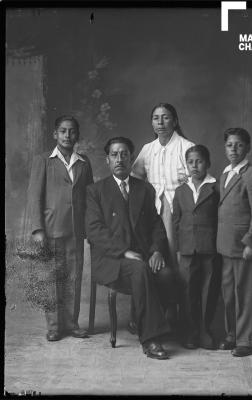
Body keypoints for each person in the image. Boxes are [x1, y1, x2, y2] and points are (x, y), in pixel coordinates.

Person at [85, 136, 176, 360]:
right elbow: (94, 231)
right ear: (107, 160)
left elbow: (156, 224)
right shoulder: (96, 191)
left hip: (142, 256)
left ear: (131, 158)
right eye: (114, 155)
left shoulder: (144, 189)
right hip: (110, 260)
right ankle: (151, 338)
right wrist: (124, 252)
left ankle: (140, 318)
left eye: (124, 154)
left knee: (166, 275)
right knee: (140, 269)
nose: (119, 159)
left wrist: (156, 251)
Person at [27, 115, 93, 341]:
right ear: (55, 134)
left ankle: (72, 324)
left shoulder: (84, 163)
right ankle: (54, 326)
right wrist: (38, 229)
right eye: (63, 131)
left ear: (77, 135)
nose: (67, 135)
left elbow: (90, 198)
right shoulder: (44, 160)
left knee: (74, 277)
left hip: (76, 230)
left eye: (72, 131)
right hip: (51, 228)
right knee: (52, 278)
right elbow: (34, 196)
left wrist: (90, 228)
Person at [131, 103, 194, 327]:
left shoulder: (187, 147)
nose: (160, 122)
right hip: (153, 212)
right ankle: (157, 313)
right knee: (156, 262)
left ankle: (182, 316)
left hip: (180, 212)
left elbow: (199, 180)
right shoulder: (148, 149)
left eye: (166, 118)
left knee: (178, 262)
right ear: (151, 123)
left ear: (175, 121)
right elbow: (135, 178)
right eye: (156, 118)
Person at [217, 128, 252, 357]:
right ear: (225, 148)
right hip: (226, 246)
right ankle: (232, 334)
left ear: (248, 148)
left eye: (239, 145)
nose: (234, 149)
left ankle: (246, 340)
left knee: (244, 293)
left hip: (244, 246)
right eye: (230, 145)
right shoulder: (226, 173)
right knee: (228, 293)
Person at [173, 145, 221, 350]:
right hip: (186, 248)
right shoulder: (181, 190)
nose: (194, 165)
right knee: (188, 290)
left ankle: (206, 331)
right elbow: (176, 220)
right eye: (190, 162)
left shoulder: (216, 188)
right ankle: (191, 332)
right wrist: (178, 245)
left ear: (207, 164)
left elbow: (222, 218)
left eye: (199, 161)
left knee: (209, 289)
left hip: (210, 247)